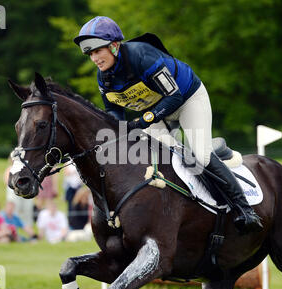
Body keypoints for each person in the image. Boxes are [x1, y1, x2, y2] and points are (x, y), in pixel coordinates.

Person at [73, 16, 263, 234]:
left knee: (199, 157)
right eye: (90, 54)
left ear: (114, 46)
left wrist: (142, 121)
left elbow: (174, 97)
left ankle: (245, 209)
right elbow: (114, 112)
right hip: (156, 111)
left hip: (187, 99)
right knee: (164, 160)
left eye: (98, 51)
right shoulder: (103, 78)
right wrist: (119, 134)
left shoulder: (141, 56)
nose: (94, 58)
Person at [4, 156, 35, 238]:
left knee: (27, 211)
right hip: (14, 193)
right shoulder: (10, 169)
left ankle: (30, 234)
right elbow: (7, 181)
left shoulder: (25, 169)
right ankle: (15, 233)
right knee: (15, 211)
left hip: (25, 192)